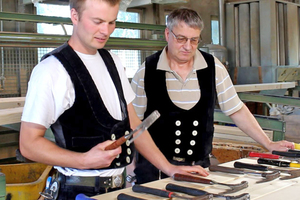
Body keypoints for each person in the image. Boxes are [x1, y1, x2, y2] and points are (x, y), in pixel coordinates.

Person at [19, 1, 207, 199]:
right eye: (98, 21)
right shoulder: (52, 70)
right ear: (75, 16)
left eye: (111, 22)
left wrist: (169, 168)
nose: (105, 31)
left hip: (118, 189)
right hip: (78, 192)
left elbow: (135, 125)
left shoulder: (113, 62)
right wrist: (84, 160)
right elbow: (28, 144)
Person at [130, 7, 295, 184]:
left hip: (200, 170)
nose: (188, 46)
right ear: (167, 34)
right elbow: (134, 125)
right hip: (155, 174)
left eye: (194, 40)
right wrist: (130, 169)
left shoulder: (212, 67)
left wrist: (268, 143)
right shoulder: (147, 71)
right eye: (181, 39)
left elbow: (236, 110)